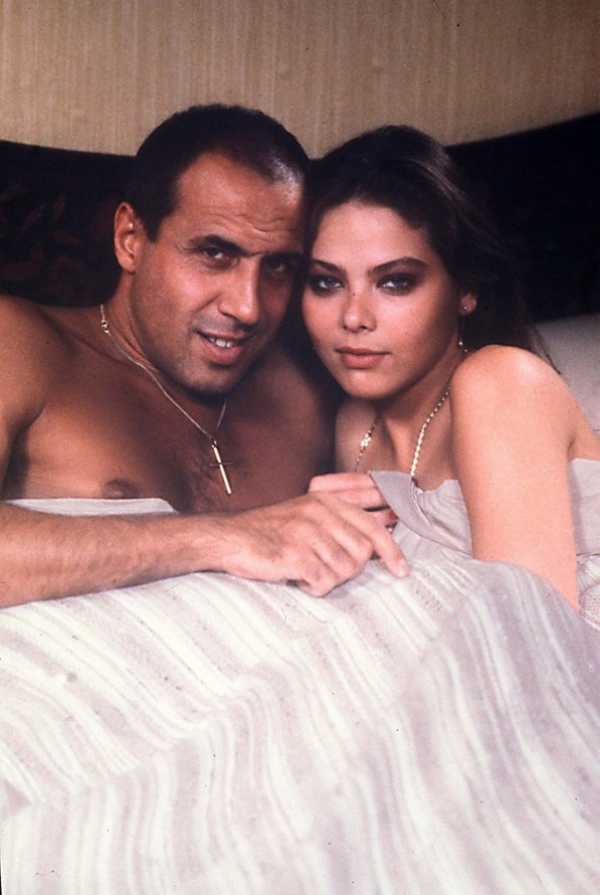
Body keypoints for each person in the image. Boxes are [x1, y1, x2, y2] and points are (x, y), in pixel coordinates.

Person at [0, 105, 406, 608]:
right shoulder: (21, 343)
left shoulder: (306, 389)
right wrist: (222, 536)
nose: (248, 307)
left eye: (279, 267)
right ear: (130, 240)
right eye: (215, 254)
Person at [302, 125, 600, 621]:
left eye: (395, 282)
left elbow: (533, 635)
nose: (353, 317)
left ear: (465, 289)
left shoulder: (500, 382)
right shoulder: (357, 426)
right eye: (326, 283)